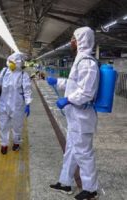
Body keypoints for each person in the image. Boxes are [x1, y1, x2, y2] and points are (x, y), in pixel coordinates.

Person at [47, 27, 99, 199]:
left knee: (83, 153)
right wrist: (58, 82)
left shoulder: (87, 62)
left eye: (74, 38)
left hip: (82, 118)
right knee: (71, 151)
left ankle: (91, 189)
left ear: (82, 40)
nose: (71, 41)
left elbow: (86, 92)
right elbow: (73, 84)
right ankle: (65, 183)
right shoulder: (80, 60)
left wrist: (68, 100)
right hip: (75, 118)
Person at [0, 52, 32, 155]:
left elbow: (27, 90)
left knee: (17, 126)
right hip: (3, 104)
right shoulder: (5, 71)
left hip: (17, 105)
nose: (9, 63)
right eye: (9, 61)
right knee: (3, 125)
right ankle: (4, 144)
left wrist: (28, 104)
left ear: (18, 63)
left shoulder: (23, 75)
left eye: (12, 62)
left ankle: (16, 143)